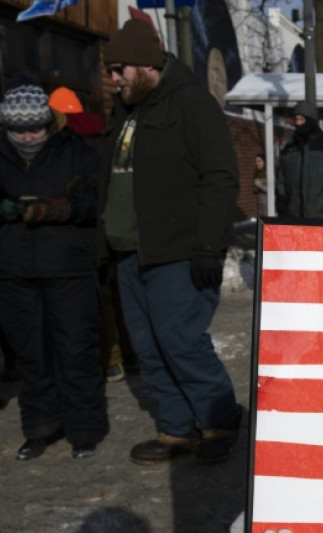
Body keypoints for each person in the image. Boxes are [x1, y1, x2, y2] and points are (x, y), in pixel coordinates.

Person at [100, 18, 242, 465]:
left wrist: (207, 245)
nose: (114, 78)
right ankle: (176, 428)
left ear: (145, 64)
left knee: (180, 340)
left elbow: (220, 178)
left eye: (120, 68)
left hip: (178, 251)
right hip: (128, 252)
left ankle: (219, 421)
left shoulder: (191, 104)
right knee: (147, 346)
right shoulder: (125, 110)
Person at [0, 73, 107, 459]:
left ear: (48, 123)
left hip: (67, 267)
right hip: (11, 270)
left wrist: (58, 209)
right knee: (31, 355)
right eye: (21, 130)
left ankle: (84, 431)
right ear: (8, 126)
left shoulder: (77, 153)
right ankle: (39, 428)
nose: (29, 137)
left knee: (75, 350)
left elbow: (95, 205)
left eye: (36, 129)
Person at [48, 85, 133, 384]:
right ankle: (132, 353)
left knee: (101, 297)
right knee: (121, 290)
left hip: (87, 227)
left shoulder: (65, 144)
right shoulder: (105, 133)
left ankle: (111, 361)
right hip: (116, 220)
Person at [275, 102, 323, 219]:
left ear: (310, 120)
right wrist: (281, 203)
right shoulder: (289, 148)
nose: (298, 123)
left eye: (302, 119)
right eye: (296, 120)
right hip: (294, 217)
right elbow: (281, 180)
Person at [251, 153, 268, 217]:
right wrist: (254, 185)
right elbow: (254, 191)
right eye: (256, 161)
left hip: (268, 207)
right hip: (260, 208)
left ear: (264, 162)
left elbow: (271, 190)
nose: (257, 163)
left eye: (259, 161)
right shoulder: (256, 173)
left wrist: (260, 185)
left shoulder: (268, 173)